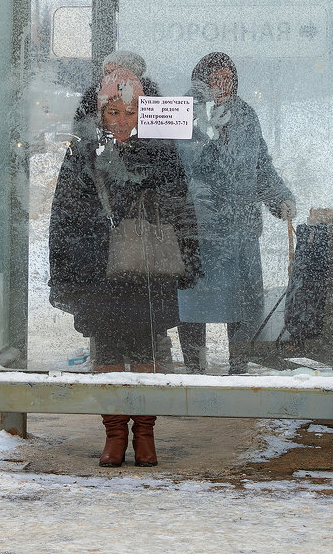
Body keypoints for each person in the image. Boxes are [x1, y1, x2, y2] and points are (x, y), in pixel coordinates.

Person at [48, 68, 201, 467]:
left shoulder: (161, 149)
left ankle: (145, 433)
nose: (121, 121)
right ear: (99, 114)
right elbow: (65, 213)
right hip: (98, 269)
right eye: (113, 112)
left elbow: (180, 205)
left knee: (148, 346)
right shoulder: (82, 151)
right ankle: (115, 432)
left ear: (144, 112)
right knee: (110, 349)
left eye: (131, 112)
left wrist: (187, 255)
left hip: (148, 267)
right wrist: (66, 268)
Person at [176, 52, 296, 374]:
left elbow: (260, 166)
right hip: (201, 231)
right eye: (214, 79)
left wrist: (279, 197)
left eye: (228, 79)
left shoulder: (244, 114)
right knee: (196, 300)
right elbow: (194, 165)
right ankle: (194, 365)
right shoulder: (186, 113)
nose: (222, 85)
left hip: (241, 228)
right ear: (200, 82)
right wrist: (212, 134)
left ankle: (238, 365)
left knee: (240, 302)